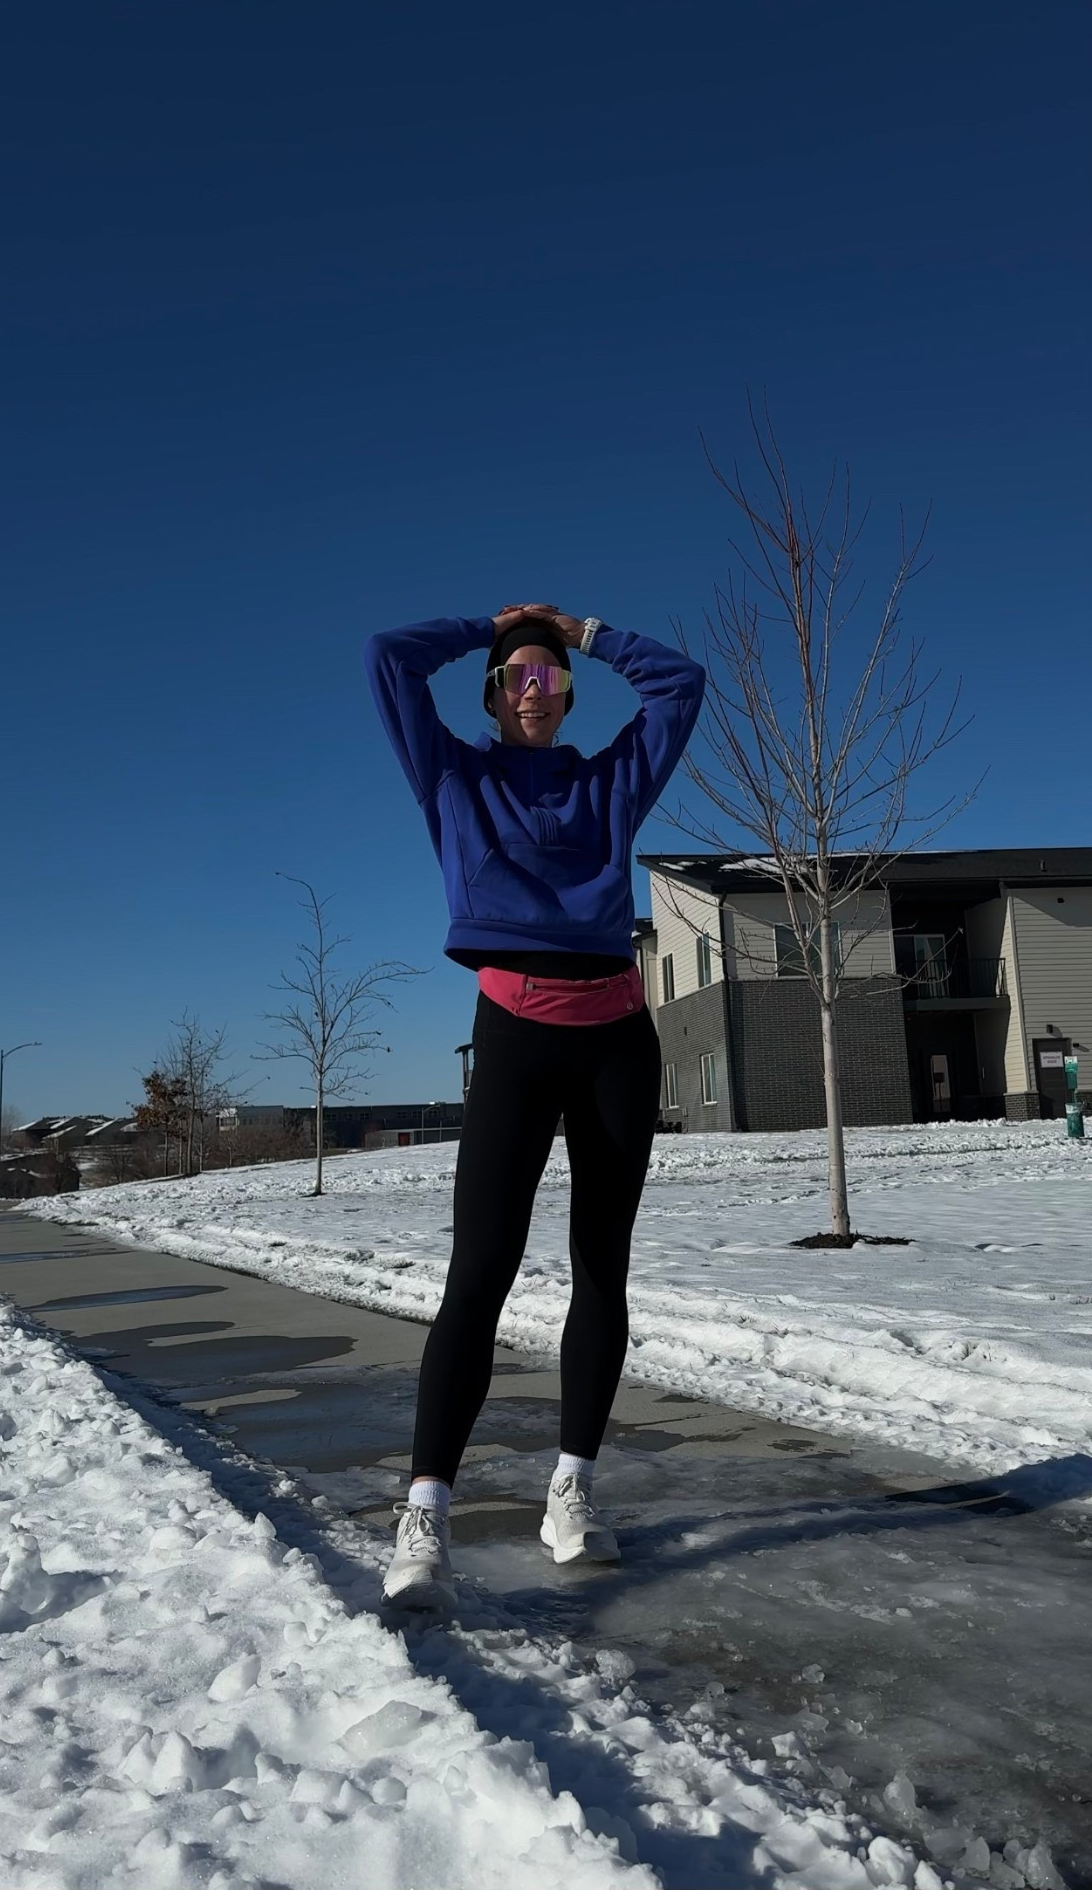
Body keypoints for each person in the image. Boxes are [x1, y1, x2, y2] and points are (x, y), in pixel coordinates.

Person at [364, 602, 705, 1608]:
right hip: (514, 1038)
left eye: (549, 680)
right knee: (481, 1269)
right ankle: (426, 1511)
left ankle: (573, 1489)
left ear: (567, 697)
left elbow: (681, 684)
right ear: (489, 692)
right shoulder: (452, 775)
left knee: (603, 1265)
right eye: (515, 678)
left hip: (614, 1042)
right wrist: (493, 625)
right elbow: (387, 653)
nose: (532, 693)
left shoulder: (609, 781)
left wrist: (582, 631)